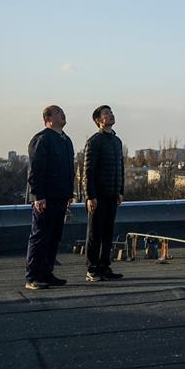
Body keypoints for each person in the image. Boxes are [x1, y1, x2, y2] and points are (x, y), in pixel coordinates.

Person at [25, 105, 74, 290]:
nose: (63, 114)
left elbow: (69, 170)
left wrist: (69, 194)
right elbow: (36, 170)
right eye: (58, 112)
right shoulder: (42, 139)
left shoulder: (66, 140)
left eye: (63, 111)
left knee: (54, 237)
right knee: (40, 237)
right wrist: (38, 196)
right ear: (48, 119)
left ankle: (47, 273)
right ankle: (33, 276)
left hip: (61, 196)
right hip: (45, 198)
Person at [82, 105, 125, 282]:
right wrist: (90, 196)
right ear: (98, 121)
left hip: (112, 194)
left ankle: (105, 267)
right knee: (95, 233)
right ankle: (92, 269)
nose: (111, 115)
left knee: (108, 233)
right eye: (106, 114)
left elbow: (120, 168)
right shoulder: (94, 141)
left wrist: (120, 191)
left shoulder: (117, 141)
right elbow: (88, 171)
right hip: (98, 195)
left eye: (111, 112)